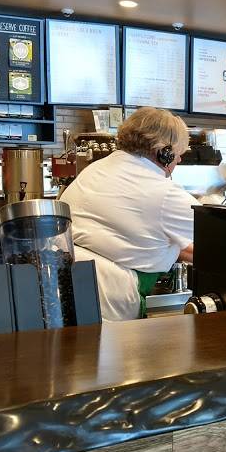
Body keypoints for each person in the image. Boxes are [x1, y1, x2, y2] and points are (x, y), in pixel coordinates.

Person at [59, 107, 197, 322]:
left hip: (65, 284)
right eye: (179, 153)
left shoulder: (95, 169)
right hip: (106, 299)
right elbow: (223, 238)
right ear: (164, 152)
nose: (179, 160)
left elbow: (132, 232)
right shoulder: (164, 192)